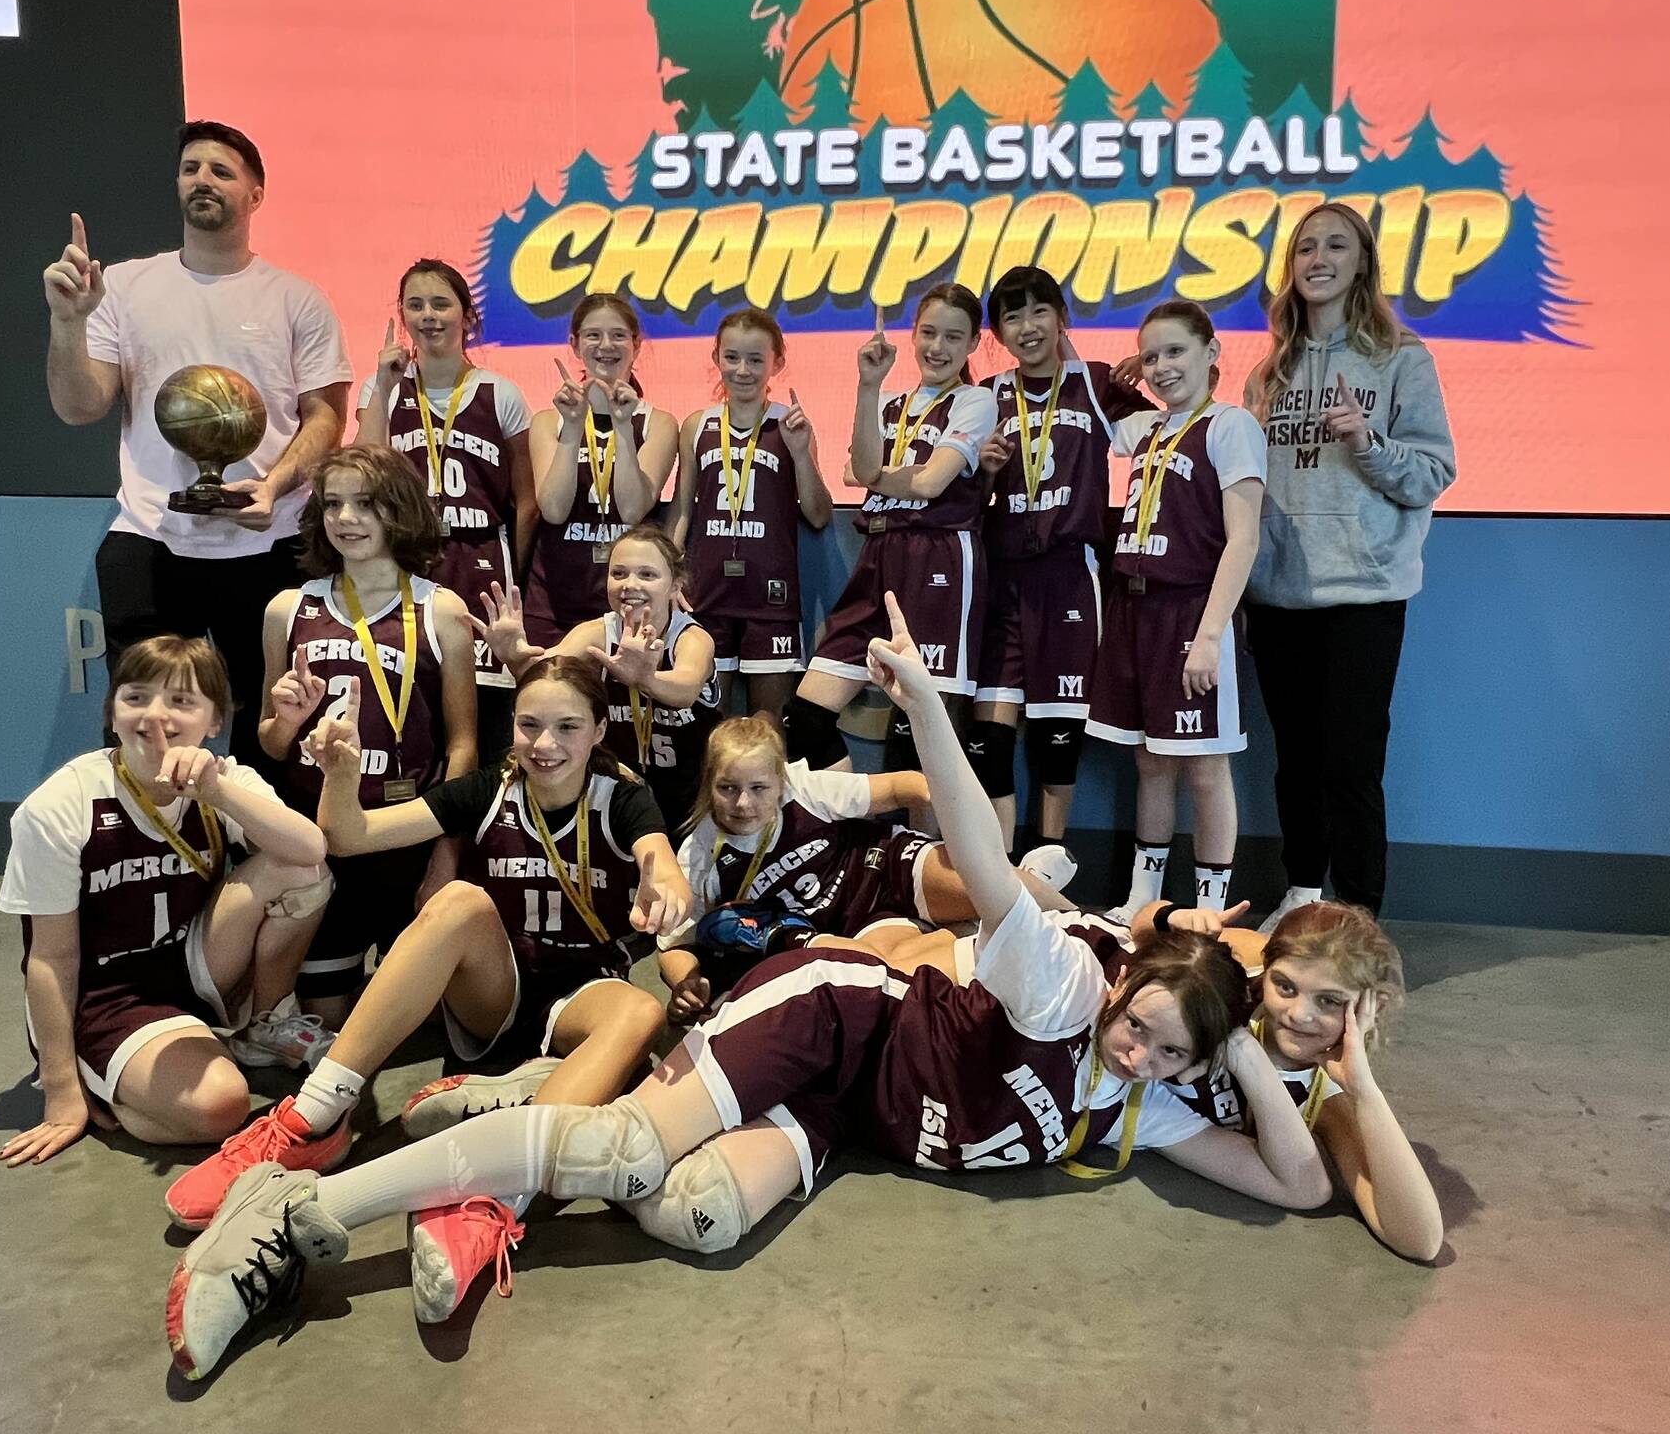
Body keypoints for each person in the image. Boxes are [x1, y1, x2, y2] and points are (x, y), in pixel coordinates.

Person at [164, 594, 1329, 1381]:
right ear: (1117, 993)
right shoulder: (1065, 991)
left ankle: (510, 1114)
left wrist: (1236, 1050)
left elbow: (1298, 1183)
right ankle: (301, 1210)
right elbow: (981, 857)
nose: (1134, 1058)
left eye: (1166, 1055)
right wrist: (925, 709)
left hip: (848, 1115)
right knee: (623, 1151)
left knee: (693, 1215)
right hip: (837, 1012)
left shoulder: (1143, 1103)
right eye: (1139, 1030)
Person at [159, 657, 690, 1260]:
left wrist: (668, 888)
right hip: (497, 989)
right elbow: (350, 836)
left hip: (581, 997)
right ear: (512, 726)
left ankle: (497, 1194)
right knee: (459, 901)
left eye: (568, 727)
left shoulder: (623, 799)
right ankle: (311, 1118)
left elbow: (659, 860)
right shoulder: (489, 789)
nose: (545, 744)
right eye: (529, 725)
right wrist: (340, 773)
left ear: (598, 730)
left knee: (642, 1012)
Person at [41, 120, 352, 770]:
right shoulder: (123, 287)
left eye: (221, 171)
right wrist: (68, 322)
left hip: (269, 543)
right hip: (150, 539)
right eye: (191, 169)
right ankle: (150, 832)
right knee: (145, 729)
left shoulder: (296, 299)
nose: (202, 180)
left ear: (256, 194)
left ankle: (258, 837)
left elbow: (326, 418)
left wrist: (274, 488)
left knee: (275, 731)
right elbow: (79, 405)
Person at [0, 636, 333, 1170]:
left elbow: (311, 850)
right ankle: (106, 1082)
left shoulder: (224, 780)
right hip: (106, 995)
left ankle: (263, 1026)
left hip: (191, 963)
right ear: (112, 713)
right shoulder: (62, 804)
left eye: (181, 700)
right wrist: (61, 1091)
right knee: (221, 1105)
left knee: (300, 870)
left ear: (214, 720)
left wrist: (215, 792)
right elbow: (50, 957)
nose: (156, 714)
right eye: (136, 697)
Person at [1241, 202, 1457, 928]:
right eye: (1306, 248)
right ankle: (1303, 894)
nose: (1319, 259)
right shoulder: (1268, 372)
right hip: (1278, 597)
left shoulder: (1402, 358)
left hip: (1364, 595)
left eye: (1336, 246)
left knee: (1351, 766)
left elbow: (1432, 473)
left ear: (1363, 262)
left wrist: (1368, 443)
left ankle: (1360, 918)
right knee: (1296, 764)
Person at [257, 444, 479, 1025]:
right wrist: (287, 720)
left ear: (399, 509)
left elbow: (462, 745)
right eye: (333, 504)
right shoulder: (288, 608)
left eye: (365, 503)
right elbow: (270, 742)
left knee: (420, 1017)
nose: (346, 518)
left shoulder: (442, 610)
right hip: (321, 838)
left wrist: (445, 853)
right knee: (329, 1020)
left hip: (406, 833)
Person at [659, 716, 1074, 1020]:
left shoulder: (805, 787)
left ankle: (1087, 923)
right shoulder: (698, 855)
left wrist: (953, 815)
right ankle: (971, 922)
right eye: (728, 788)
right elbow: (676, 945)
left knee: (991, 885)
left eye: (758, 788)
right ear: (709, 783)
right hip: (847, 928)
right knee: (892, 980)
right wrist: (685, 983)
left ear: (780, 782)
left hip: (886, 865)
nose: (743, 803)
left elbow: (900, 786)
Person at [968, 267, 1155, 864]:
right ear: (998, 332)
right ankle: (999, 872)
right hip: (1003, 580)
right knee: (988, 742)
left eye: (1039, 311)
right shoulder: (987, 396)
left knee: (1057, 741)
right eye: (1012, 316)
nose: (1027, 327)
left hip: (1070, 577)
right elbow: (964, 496)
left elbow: (1164, 433)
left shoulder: (1095, 383)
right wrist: (987, 472)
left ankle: (1049, 867)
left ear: (1062, 318)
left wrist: (1148, 366)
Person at [1086, 300, 1265, 918]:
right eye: (1152, 356)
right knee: (1151, 760)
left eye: (1176, 351)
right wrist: (1127, 370)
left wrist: (1210, 636)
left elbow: (1243, 540)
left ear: (1212, 352)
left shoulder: (1231, 426)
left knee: (1206, 767)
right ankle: (1145, 899)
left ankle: (1211, 908)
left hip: (1192, 611)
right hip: (1134, 610)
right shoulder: (1147, 428)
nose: (1162, 366)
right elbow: (1092, 391)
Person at [785, 287, 995, 780]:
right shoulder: (888, 403)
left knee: (917, 732)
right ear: (913, 334)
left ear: (973, 343)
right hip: (876, 554)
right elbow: (857, 470)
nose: (937, 347)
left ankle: (926, 832)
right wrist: (868, 384)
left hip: (938, 558)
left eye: (953, 337)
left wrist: (877, 474)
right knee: (806, 716)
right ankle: (849, 821)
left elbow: (929, 483)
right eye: (928, 333)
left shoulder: (976, 401)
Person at [1176, 903, 1444, 1261]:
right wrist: (1173, 917)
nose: (1300, 1014)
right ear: (1267, 970)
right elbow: (1136, 928)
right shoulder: (1241, 968)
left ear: (1371, 1006)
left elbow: (1420, 1241)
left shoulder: (1326, 1098)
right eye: (1285, 987)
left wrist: (1364, 1092)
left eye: (1329, 1001)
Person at [356, 258, 538, 761]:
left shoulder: (500, 392)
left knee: (483, 708)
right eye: (415, 305)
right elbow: (362, 472)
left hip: (479, 561)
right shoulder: (381, 387)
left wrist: (515, 569)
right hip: (406, 560)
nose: (428, 316)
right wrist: (384, 385)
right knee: (409, 694)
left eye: (440, 303)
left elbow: (527, 500)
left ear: (467, 315)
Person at [479, 525, 720, 837]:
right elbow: (540, 677)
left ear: (676, 585)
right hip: (619, 792)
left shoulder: (691, 637)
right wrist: (512, 656)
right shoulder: (595, 632)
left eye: (647, 574)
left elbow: (685, 688)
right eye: (618, 573)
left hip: (690, 794)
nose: (630, 584)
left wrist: (645, 678)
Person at [666, 308, 833, 726]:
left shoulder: (790, 424)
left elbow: (818, 514)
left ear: (777, 362)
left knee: (767, 721)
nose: (743, 370)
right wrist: (669, 576)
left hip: (770, 596)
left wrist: (800, 453)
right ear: (716, 357)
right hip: (707, 593)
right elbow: (682, 508)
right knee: (706, 718)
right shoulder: (696, 425)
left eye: (756, 359)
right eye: (732, 357)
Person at [521, 294, 678, 645]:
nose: (606, 346)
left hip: (629, 602)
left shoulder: (658, 423)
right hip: (554, 601)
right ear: (574, 344)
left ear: (636, 345)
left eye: (618, 335)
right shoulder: (549, 421)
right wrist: (573, 427)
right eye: (593, 335)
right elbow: (554, 509)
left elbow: (633, 509)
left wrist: (623, 427)